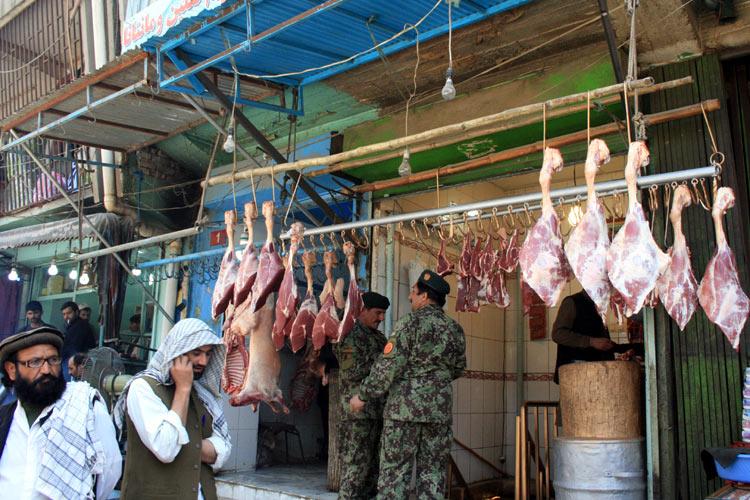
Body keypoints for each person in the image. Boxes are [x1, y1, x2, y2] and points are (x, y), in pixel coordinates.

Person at [350, 270, 466, 498]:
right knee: (433, 476)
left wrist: (362, 396)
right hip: (438, 415)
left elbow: (388, 366)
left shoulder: (409, 323)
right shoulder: (455, 329)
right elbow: (458, 368)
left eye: (413, 293)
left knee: (394, 476)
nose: (410, 297)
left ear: (424, 297)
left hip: (404, 414)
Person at [114, 318, 231, 500]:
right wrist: (182, 389)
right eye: (196, 352)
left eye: (208, 354)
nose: (203, 361)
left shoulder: (202, 394)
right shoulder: (143, 388)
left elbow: (223, 450)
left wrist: (183, 444)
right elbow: (166, 449)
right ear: (177, 351)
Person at [0, 326, 122, 498]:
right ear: (12, 370)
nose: (46, 370)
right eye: (34, 362)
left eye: (53, 360)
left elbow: (110, 470)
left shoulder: (86, 408)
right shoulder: (4, 417)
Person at [334, 291, 390, 499]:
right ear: (363, 310)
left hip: (377, 413)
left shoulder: (379, 337)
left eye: (384, 313)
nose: (381, 318)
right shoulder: (350, 335)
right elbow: (351, 372)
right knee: (355, 469)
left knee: (373, 470)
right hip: (357, 417)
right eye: (378, 313)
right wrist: (383, 367)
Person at [60, 301, 96, 380]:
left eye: (69, 313)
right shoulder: (71, 326)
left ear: (76, 312)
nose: (66, 317)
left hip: (76, 363)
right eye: (64, 314)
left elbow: (73, 348)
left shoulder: (81, 326)